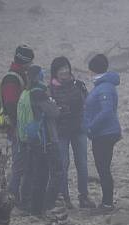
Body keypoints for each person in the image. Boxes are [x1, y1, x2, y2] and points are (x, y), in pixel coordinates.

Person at [49, 56, 94, 209]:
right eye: (61, 69)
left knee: (82, 163)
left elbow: (88, 104)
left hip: (79, 129)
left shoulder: (79, 86)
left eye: (66, 68)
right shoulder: (50, 89)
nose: (64, 72)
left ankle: (84, 196)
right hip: (60, 132)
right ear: (55, 72)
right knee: (63, 164)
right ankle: (64, 198)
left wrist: (87, 123)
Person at [19, 65, 61, 216]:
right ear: (38, 76)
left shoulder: (25, 92)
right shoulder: (39, 93)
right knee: (47, 173)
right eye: (42, 74)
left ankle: (27, 203)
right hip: (44, 139)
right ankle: (43, 207)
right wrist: (53, 103)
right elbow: (54, 112)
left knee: (31, 172)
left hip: (31, 138)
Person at [84, 54, 121, 210]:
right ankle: (107, 202)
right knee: (103, 167)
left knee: (103, 168)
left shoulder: (104, 87)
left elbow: (106, 111)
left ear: (92, 70)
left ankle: (107, 203)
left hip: (104, 134)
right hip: (105, 132)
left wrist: (91, 127)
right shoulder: (104, 85)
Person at [1, 44, 34, 208]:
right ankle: (13, 198)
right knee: (19, 165)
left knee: (23, 163)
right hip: (17, 129)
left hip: (20, 128)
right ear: (25, 61)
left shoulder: (17, 75)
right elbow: (11, 105)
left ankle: (18, 196)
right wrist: (19, 127)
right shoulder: (13, 78)